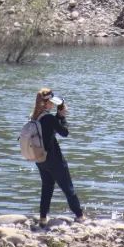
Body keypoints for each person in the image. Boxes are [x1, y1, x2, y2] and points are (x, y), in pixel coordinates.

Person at [31, 88, 84, 227]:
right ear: (46, 103)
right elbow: (64, 132)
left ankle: (43, 218)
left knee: (47, 187)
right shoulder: (48, 118)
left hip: (40, 159)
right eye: (51, 103)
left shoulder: (35, 117)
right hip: (54, 159)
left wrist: (58, 117)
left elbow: (50, 130)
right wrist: (62, 116)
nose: (53, 105)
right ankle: (80, 216)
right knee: (68, 187)